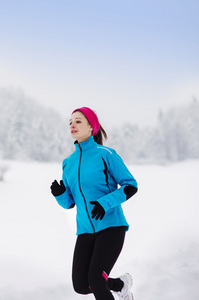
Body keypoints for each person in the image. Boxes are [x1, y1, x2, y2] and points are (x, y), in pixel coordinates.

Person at [50, 107, 138, 300]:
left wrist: (104, 203)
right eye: (70, 122)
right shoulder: (68, 163)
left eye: (78, 121)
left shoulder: (106, 154)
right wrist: (60, 194)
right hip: (85, 231)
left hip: (111, 226)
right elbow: (70, 204)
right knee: (82, 285)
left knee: (96, 280)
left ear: (92, 127)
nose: (72, 124)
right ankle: (120, 285)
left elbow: (130, 186)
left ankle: (115, 286)